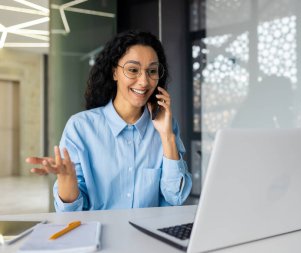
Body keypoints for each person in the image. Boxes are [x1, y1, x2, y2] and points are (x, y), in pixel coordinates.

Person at [26, 31, 192, 212]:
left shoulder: (166, 126)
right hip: (98, 236)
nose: (144, 81)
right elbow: (71, 212)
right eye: (133, 70)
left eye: (152, 71)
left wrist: (167, 136)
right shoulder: (80, 128)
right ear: (114, 72)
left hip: (149, 237)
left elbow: (175, 197)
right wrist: (67, 179)